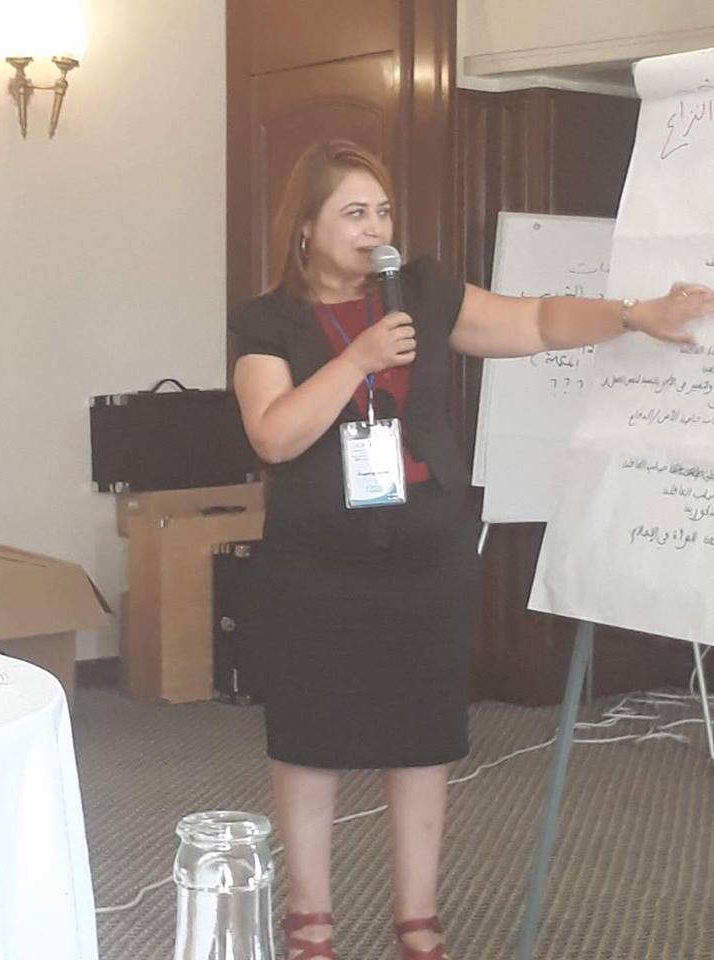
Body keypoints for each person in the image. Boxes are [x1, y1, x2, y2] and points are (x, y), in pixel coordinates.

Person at [230, 140, 714, 960]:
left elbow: (532, 321)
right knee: (310, 737)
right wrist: (357, 358)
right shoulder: (266, 320)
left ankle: (418, 923)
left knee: (423, 735)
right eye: (354, 213)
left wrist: (633, 315)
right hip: (317, 561)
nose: (375, 228)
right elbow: (274, 436)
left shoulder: (417, 290)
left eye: (382, 211)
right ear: (305, 228)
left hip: (425, 551)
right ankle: (310, 924)